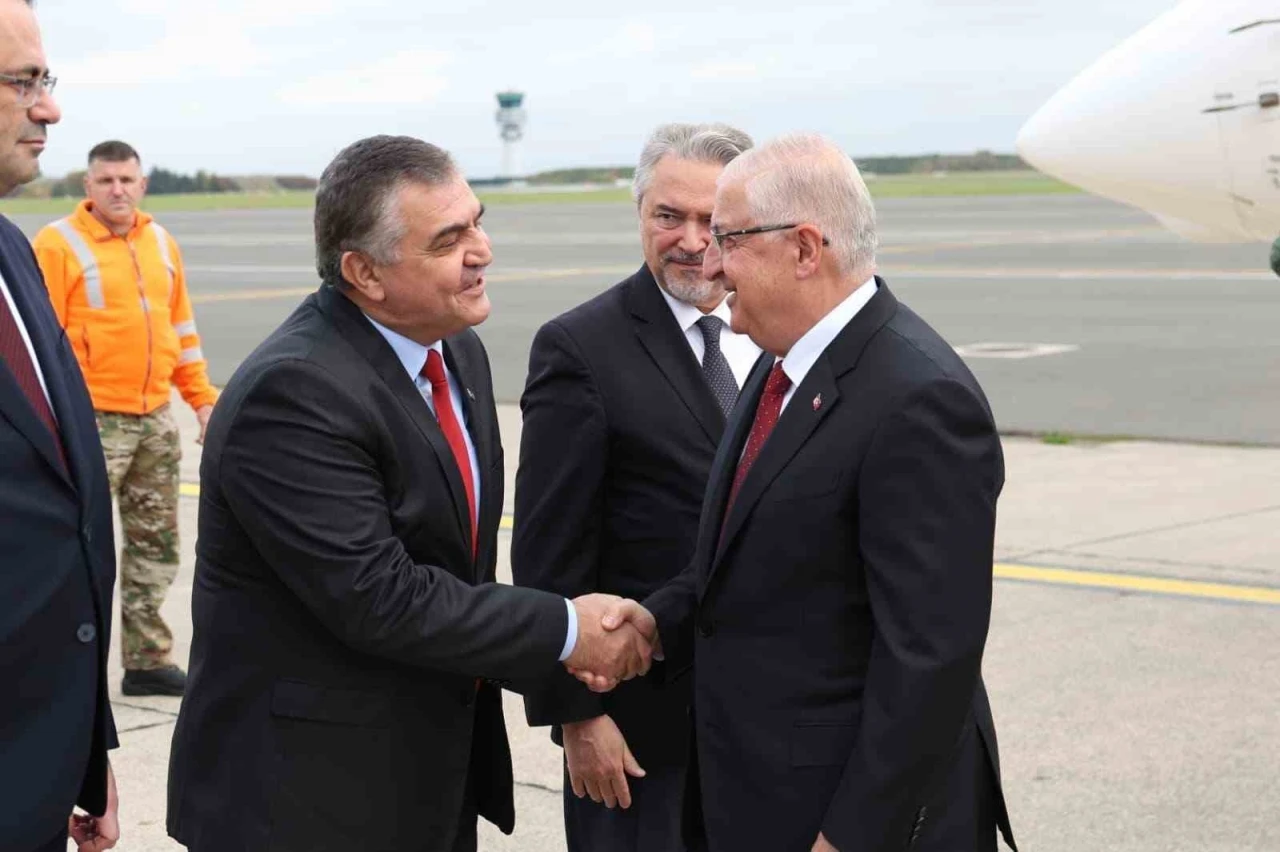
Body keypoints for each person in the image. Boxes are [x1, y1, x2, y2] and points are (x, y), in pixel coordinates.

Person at [165, 135, 652, 852]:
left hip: (427, 775)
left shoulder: (455, 349)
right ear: (364, 272)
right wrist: (569, 630)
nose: (482, 251)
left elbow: (456, 564)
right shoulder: (294, 392)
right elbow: (380, 597)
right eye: (448, 240)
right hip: (304, 800)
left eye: (478, 222)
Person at [590, 134, 1018, 852]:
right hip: (762, 794)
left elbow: (929, 658)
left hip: (845, 814)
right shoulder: (782, 361)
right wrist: (656, 622)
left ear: (804, 249)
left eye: (728, 239)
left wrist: (852, 836)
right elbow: (749, 560)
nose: (710, 264)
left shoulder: (919, 400)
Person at [512, 122, 760, 850]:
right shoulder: (581, 348)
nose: (691, 241)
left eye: (712, 220)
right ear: (639, 214)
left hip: (769, 720)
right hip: (642, 730)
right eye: (667, 216)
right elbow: (547, 552)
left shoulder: (781, 334)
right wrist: (576, 717)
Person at [33, 139, 219, 697]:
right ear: (88, 186)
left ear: (142, 184)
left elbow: (180, 330)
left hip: (155, 417)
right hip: (89, 421)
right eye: (106, 180)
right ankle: (63, 668)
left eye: (127, 179)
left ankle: (147, 661)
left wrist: (202, 400)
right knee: (74, 547)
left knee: (156, 545)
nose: (117, 189)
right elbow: (41, 344)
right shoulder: (57, 244)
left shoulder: (160, 242)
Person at [0, 1, 120, 849]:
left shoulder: (15, 252)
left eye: (47, 79)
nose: (50, 108)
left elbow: (57, 529)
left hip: (35, 764)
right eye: (22, 81)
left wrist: (83, 748)